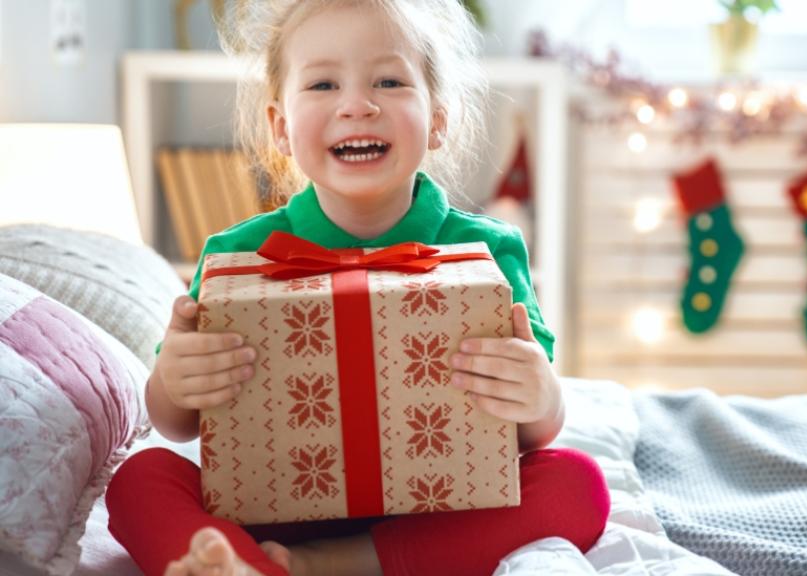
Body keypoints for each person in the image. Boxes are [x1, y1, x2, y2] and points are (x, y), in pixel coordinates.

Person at [106, 1, 610, 575]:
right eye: (323, 83)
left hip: (439, 508)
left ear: (439, 117)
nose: (357, 106)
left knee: (577, 484)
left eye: (389, 81)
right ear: (280, 128)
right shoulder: (235, 255)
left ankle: (335, 563)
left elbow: (532, 432)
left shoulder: (488, 253)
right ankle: (250, 568)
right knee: (138, 480)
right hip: (274, 503)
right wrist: (173, 380)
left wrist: (541, 396)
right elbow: (177, 423)